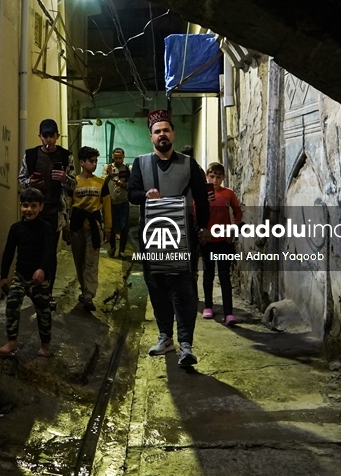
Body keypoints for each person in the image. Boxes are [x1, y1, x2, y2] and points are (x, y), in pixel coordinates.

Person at [128, 110, 210, 367]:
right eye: (157, 131)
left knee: (183, 289)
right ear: (151, 136)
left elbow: (201, 196)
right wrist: (145, 194)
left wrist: (204, 227)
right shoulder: (140, 164)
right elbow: (131, 193)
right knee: (157, 286)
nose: (162, 134)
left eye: (166, 130)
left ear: (173, 134)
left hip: (182, 237)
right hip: (152, 236)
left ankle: (186, 345)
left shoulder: (189, 164)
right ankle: (165, 337)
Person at [17, 118, 77, 309]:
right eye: (45, 136)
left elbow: (74, 184)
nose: (48, 140)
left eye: (52, 136)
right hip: (32, 212)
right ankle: (28, 289)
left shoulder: (66, 156)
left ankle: (48, 293)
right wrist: (31, 184)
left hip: (53, 213)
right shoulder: (31, 155)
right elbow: (21, 180)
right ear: (40, 136)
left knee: (49, 254)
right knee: (29, 250)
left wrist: (64, 178)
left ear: (57, 136)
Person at [0, 188, 55, 357]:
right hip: (20, 276)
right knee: (12, 305)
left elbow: (49, 252)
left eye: (33, 206)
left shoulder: (46, 228)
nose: (28, 209)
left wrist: (42, 269)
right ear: (20, 206)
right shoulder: (16, 228)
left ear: (40, 207)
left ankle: (45, 346)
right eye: (25, 205)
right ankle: (12, 342)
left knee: (43, 312)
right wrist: (3, 276)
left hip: (40, 279)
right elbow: (8, 252)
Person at [200, 162, 243, 324]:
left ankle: (229, 313)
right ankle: (208, 306)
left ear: (223, 177)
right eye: (212, 176)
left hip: (224, 242)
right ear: (207, 176)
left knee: (225, 276)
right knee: (208, 274)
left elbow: (238, 212)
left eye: (218, 177)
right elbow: (196, 213)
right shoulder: (202, 194)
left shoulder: (228, 194)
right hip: (207, 241)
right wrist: (200, 230)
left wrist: (234, 228)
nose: (215, 180)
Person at [70, 146, 112, 311]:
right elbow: (67, 204)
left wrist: (108, 228)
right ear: (82, 162)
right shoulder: (74, 182)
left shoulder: (101, 183)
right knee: (79, 261)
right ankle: (84, 288)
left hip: (94, 227)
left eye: (96, 161)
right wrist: (66, 226)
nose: (94, 164)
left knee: (91, 262)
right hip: (76, 227)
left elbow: (107, 206)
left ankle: (89, 295)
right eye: (91, 161)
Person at [104, 148, 131, 258]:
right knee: (112, 226)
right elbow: (102, 182)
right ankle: (112, 248)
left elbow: (132, 185)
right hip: (111, 202)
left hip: (123, 202)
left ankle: (122, 251)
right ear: (112, 157)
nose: (118, 160)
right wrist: (109, 175)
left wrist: (124, 185)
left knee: (124, 226)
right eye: (116, 157)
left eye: (120, 158)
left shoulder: (127, 169)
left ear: (123, 157)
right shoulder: (108, 168)